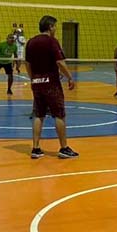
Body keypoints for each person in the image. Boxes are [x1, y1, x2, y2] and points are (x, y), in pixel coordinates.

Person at [25, 15, 78, 159]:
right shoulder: (52, 41)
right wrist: (70, 77)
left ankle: (36, 149)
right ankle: (64, 148)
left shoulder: (30, 42)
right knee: (59, 115)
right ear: (50, 27)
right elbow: (60, 62)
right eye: (54, 26)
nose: (55, 29)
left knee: (38, 115)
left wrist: (33, 79)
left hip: (36, 83)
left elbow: (27, 64)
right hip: (51, 85)